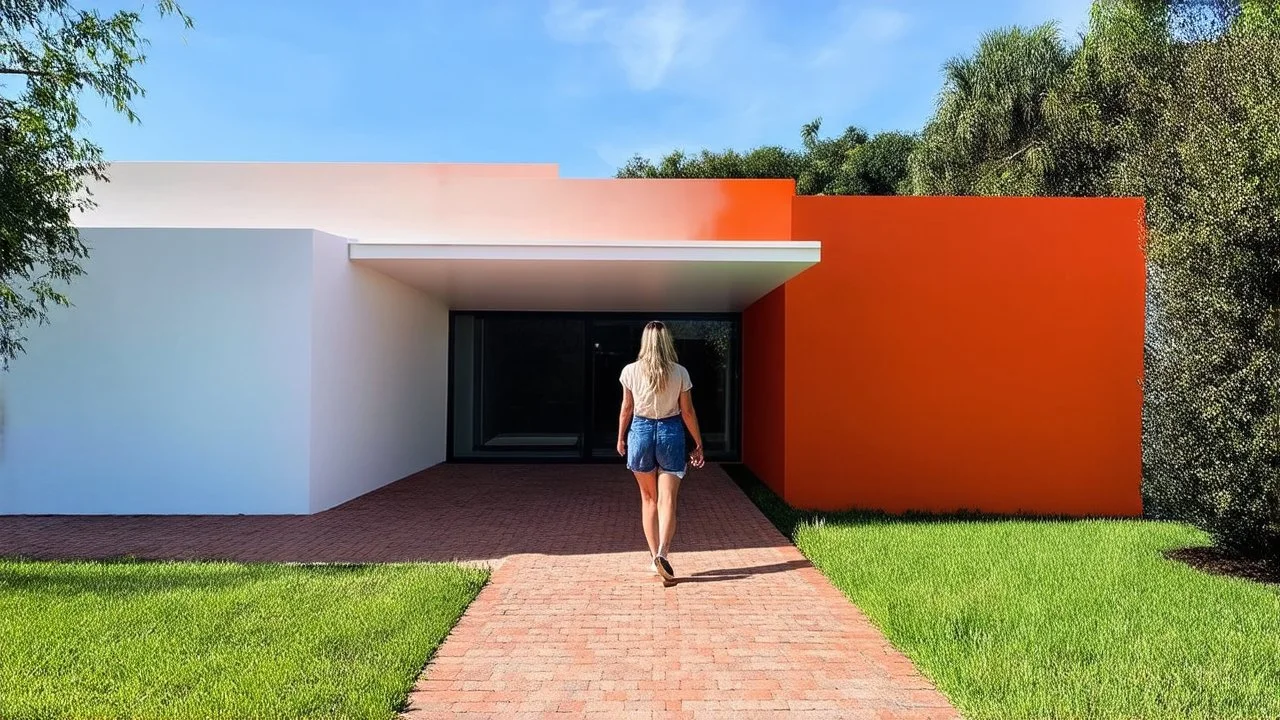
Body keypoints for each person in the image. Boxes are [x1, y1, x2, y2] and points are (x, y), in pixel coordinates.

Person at [616, 320, 705, 582]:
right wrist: (698, 443)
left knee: (649, 500)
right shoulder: (680, 372)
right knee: (668, 500)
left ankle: (653, 556)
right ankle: (663, 553)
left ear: (645, 342)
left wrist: (621, 437)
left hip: (640, 432)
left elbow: (626, 408)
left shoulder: (630, 371)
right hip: (671, 432)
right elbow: (687, 412)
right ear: (668, 342)